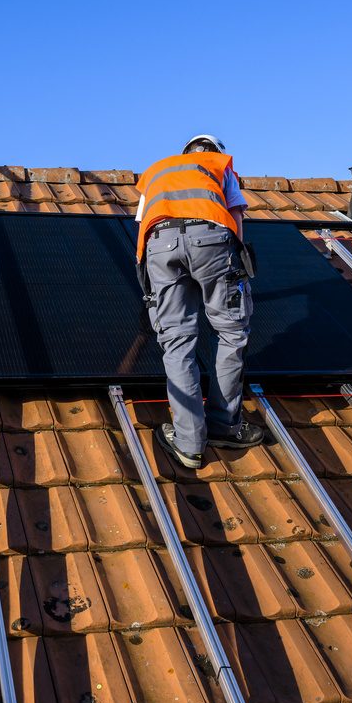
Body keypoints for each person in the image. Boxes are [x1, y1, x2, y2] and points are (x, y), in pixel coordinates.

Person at [135, 134, 265, 468]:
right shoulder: (217, 167)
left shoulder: (160, 172)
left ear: (185, 154)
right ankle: (223, 426)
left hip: (159, 245)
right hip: (209, 238)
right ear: (214, 153)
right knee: (231, 332)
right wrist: (235, 260)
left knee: (176, 341)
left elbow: (144, 224)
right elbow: (235, 215)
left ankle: (189, 443)